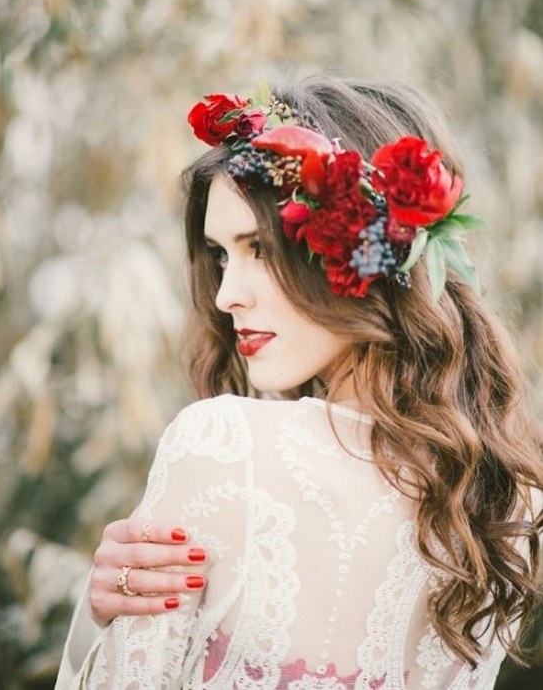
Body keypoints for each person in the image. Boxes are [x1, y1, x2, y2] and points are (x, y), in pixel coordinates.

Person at [56, 75, 543, 690]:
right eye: (221, 257)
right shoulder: (507, 505)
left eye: (260, 248)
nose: (228, 295)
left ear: (358, 249)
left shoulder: (223, 446)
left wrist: (98, 622)